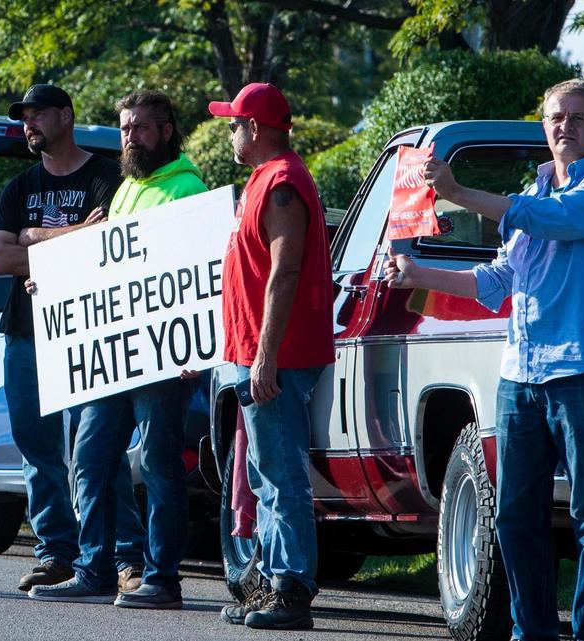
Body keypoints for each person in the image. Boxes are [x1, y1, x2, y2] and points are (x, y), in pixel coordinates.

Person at [384, 79, 584, 641]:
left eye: (577, 117)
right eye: (555, 117)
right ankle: (533, 632)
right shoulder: (533, 189)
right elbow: (498, 279)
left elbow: (553, 221)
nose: (564, 126)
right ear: (544, 128)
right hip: (519, 376)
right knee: (513, 518)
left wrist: (457, 191)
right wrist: (418, 274)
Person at [27, 90, 207, 609]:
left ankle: (162, 578)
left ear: (167, 130)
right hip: (111, 359)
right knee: (89, 457)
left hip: (161, 360)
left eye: (142, 129)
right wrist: (57, 282)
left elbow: (191, 276)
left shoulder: (187, 190)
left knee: (158, 465)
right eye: (126, 128)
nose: (130, 138)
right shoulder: (126, 189)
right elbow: (101, 263)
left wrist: (192, 348)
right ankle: (96, 569)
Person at [0, 84, 147, 594]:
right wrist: (63, 235)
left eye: (37, 115)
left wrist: (33, 238)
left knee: (97, 451)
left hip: (89, 332)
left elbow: (106, 245)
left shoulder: (106, 175)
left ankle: (125, 556)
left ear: (66, 115)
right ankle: (55, 552)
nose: (28, 124)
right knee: (37, 448)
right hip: (26, 332)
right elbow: (2, 260)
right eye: (24, 117)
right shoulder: (20, 187)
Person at [209, 83, 334, 630]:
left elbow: (284, 273)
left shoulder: (282, 182)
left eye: (234, 123)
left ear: (255, 128)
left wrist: (264, 357)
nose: (230, 132)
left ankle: (291, 588)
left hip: (276, 356)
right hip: (255, 351)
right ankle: (270, 584)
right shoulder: (261, 179)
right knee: (263, 473)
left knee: (281, 473)